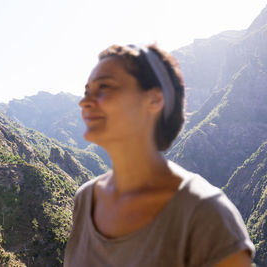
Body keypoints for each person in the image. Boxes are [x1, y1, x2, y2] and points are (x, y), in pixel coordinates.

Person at [63, 44, 255, 267]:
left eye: (104, 87)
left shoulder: (203, 212)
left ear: (153, 100)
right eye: (87, 91)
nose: (85, 102)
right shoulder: (86, 199)